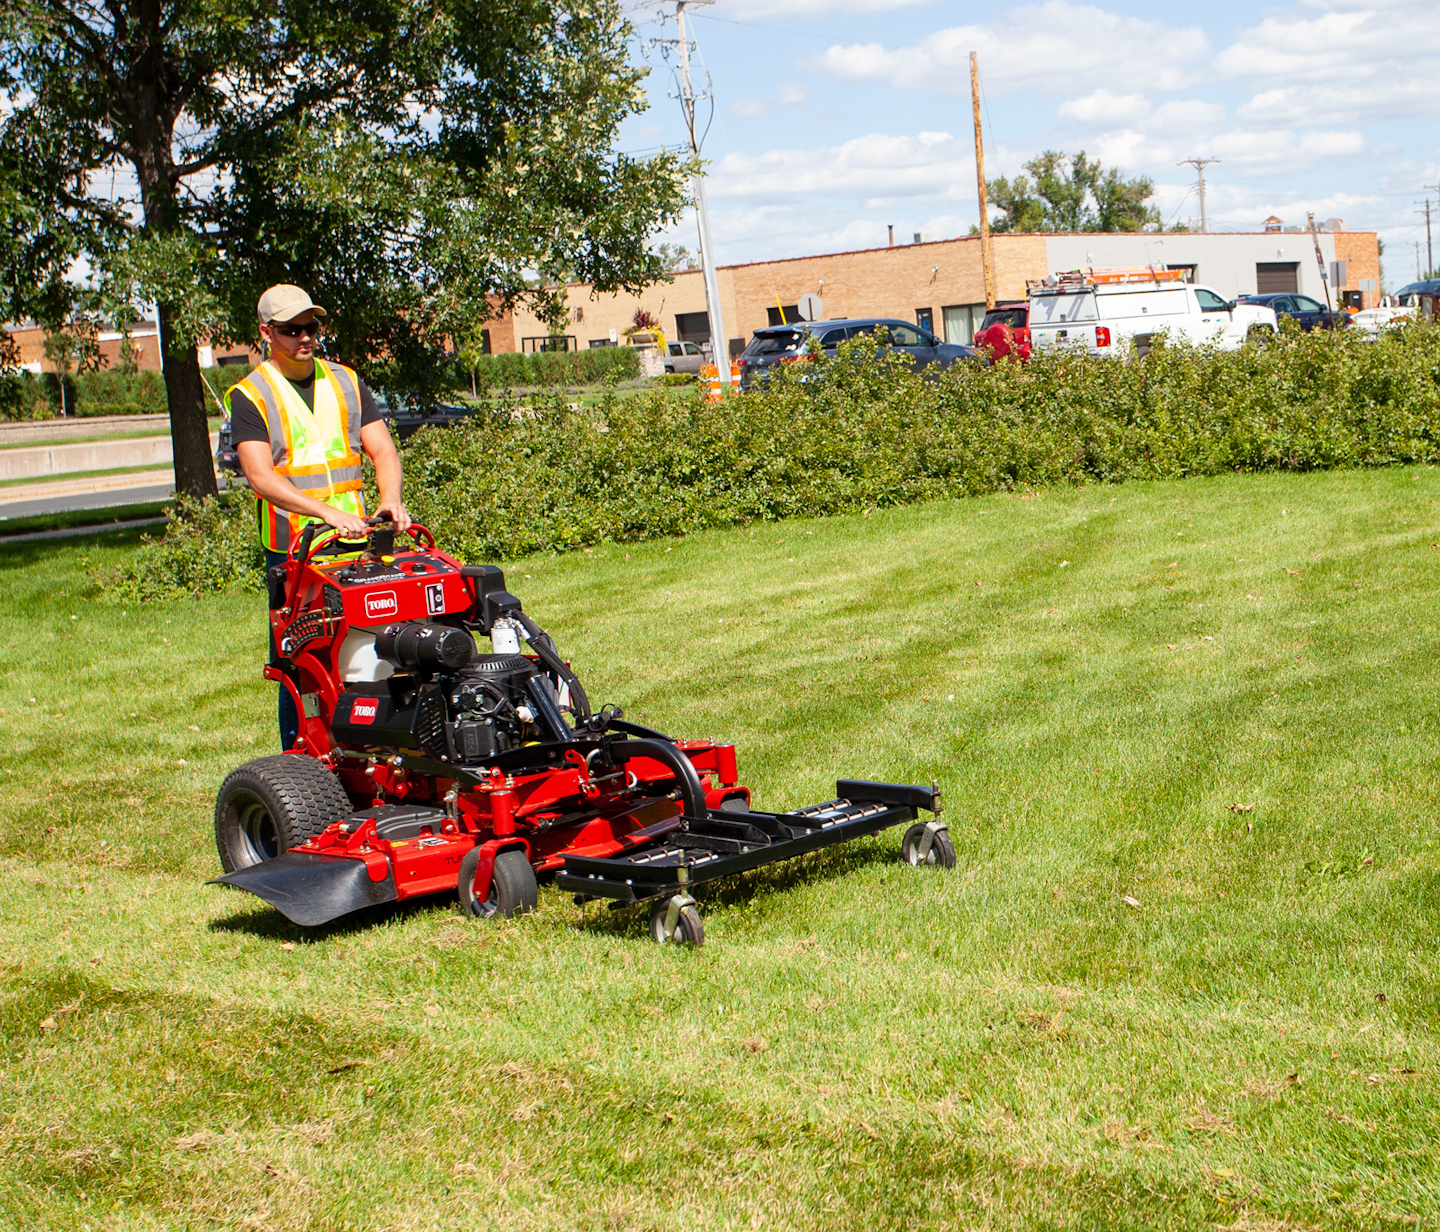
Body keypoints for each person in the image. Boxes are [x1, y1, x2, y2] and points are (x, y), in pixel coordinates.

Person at [226, 283, 411, 749]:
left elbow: (382, 448)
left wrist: (391, 498)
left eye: (311, 327)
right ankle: (302, 759)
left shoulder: (346, 380)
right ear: (267, 332)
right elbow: (260, 476)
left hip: (359, 546)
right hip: (295, 553)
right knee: (302, 665)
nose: (305, 337)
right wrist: (325, 512)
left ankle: (377, 747)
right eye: (292, 330)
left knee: (376, 648)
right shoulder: (252, 394)